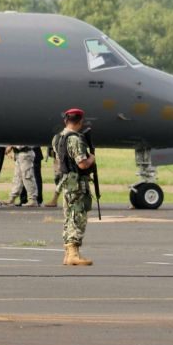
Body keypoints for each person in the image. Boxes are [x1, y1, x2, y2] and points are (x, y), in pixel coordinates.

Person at [55, 108, 95, 266]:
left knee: (68, 217)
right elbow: (82, 163)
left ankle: (68, 253)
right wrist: (91, 158)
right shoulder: (75, 140)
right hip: (77, 183)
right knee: (78, 217)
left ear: (66, 120)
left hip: (66, 181)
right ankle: (73, 253)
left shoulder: (58, 138)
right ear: (80, 122)